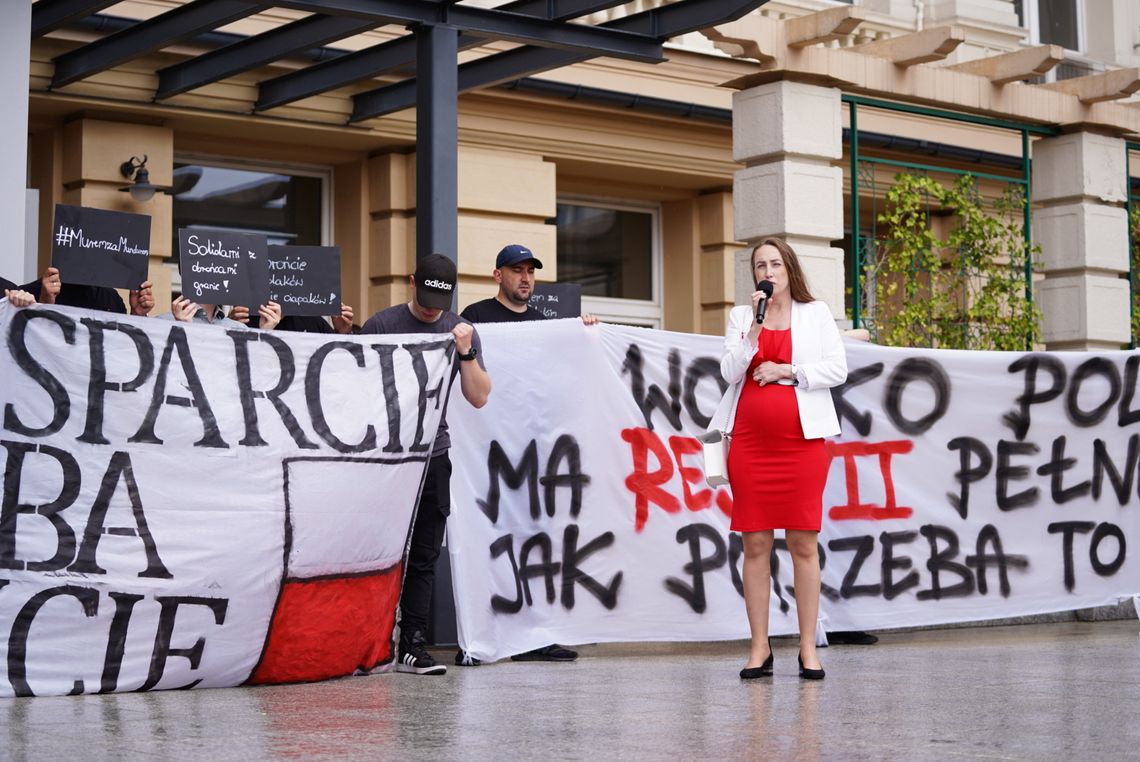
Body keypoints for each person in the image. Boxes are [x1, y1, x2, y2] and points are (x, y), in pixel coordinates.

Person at [709, 237, 847, 681]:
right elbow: (730, 372)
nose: (767, 272)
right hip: (750, 444)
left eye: (774, 263)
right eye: (759, 266)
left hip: (803, 443)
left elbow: (836, 368)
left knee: (804, 543)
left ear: (789, 267)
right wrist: (752, 331)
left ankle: (808, 647)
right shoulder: (741, 316)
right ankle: (759, 648)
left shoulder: (817, 313)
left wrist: (788, 371)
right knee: (755, 544)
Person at [455, 243, 591, 667]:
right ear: (498, 276)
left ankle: (535, 635)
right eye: (517, 270)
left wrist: (586, 335)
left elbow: (562, 378)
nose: (526, 278)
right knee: (484, 542)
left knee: (534, 542)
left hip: (532, 454)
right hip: (484, 452)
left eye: (530, 270)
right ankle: (482, 637)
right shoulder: (474, 318)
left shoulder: (542, 325)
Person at [362, 253, 491, 675]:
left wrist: (466, 353)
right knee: (374, 549)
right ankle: (366, 640)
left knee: (423, 554)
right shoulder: (383, 325)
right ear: (413, 282)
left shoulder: (458, 330)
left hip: (432, 453)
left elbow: (479, 396)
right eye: (426, 296)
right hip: (383, 457)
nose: (432, 308)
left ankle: (412, 643)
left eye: (441, 299)